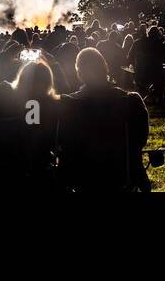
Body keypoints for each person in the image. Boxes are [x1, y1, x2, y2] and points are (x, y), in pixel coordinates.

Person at [61, 47, 151, 190]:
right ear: (105, 68)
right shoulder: (132, 101)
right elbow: (141, 139)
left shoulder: (69, 103)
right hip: (122, 175)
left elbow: (61, 142)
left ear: (79, 73)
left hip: (83, 178)